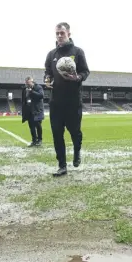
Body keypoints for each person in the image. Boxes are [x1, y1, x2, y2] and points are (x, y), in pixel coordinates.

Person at [44, 22, 90, 177]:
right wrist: (47, 80)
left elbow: (85, 71)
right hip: (56, 102)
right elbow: (48, 72)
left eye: (62, 33)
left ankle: (77, 151)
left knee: (75, 132)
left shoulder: (77, 52)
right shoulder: (51, 55)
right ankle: (62, 166)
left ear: (68, 34)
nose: (59, 36)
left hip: (73, 102)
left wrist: (77, 77)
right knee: (57, 133)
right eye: (57, 33)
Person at [21, 77, 44, 146]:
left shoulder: (38, 87)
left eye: (28, 83)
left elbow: (41, 96)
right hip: (29, 110)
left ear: (32, 81)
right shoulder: (25, 89)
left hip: (37, 110)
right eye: (26, 83)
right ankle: (34, 140)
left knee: (38, 125)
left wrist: (31, 91)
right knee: (31, 126)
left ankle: (39, 140)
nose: (27, 85)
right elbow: (23, 100)